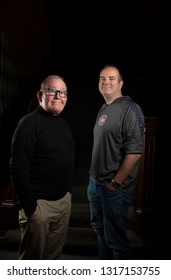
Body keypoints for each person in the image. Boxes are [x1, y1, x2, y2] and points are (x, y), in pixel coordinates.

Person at [10, 75, 75, 260]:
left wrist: (67, 195)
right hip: (39, 206)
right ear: (40, 95)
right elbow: (17, 169)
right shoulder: (28, 124)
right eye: (52, 91)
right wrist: (31, 209)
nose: (57, 95)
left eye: (62, 92)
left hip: (63, 203)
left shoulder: (64, 124)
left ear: (66, 98)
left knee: (52, 261)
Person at [87, 64, 144, 260]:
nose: (106, 82)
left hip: (114, 188)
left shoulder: (131, 109)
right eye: (102, 78)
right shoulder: (104, 108)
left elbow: (135, 152)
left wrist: (116, 183)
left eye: (111, 78)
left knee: (117, 241)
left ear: (120, 83)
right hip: (95, 183)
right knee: (101, 231)